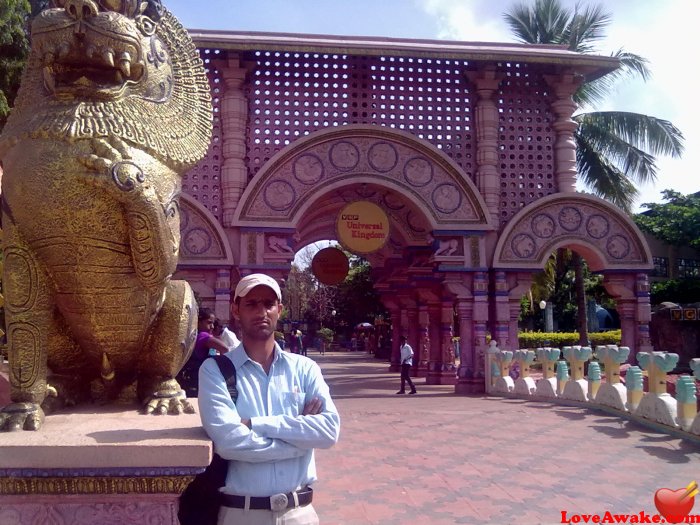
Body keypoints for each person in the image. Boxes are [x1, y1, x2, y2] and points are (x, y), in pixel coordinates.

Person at [198, 273, 340, 525]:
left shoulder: (304, 368)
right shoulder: (216, 370)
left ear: (279, 310)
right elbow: (229, 443)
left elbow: (328, 431)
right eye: (251, 304)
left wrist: (256, 424)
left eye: (268, 304)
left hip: (299, 513)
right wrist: (301, 438)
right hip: (242, 514)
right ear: (236, 309)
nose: (261, 311)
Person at [178, 308, 231, 397]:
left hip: (191, 380)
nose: (212, 327)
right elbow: (225, 349)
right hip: (199, 380)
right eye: (209, 323)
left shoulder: (194, 336)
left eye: (213, 323)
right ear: (199, 322)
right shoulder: (203, 336)